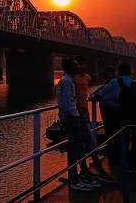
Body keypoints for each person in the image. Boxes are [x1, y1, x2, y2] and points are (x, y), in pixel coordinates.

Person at [73, 57, 113, 184]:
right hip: (77, 115)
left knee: (88, 143)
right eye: (78, 64)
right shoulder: (72, 79)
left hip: (85, 114)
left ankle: (89, 171)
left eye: (82, 64)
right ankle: (90, 171)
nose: (81, 66)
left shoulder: (87, 77)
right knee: (84, 143)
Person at [98, 63, 136, 172]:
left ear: (119, 71)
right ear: (130, 72)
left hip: (123, 116)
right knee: (135, 141)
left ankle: (123, 163)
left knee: (123, 140)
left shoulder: (114, 82)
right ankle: (133, 166)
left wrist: (114, 105)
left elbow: (102, 94)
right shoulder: (135, 83)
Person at [57, 58, 93, 191]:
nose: (78, 66)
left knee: (76, 148)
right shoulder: (67, 81)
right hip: (71, 118)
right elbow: (67, 103)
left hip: (72, 117)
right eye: (76, 65)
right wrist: (75, 117)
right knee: (74, 149)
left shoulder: (67, 80)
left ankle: (78, 177)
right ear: (70, 67)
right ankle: (73, 180)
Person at [90, 66, 119, 163]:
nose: (108, 76)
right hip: (110, 112)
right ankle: (113, 156)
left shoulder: (112, 83)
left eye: (110, 73)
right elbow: (94, 94)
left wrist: (96, 96)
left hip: (111, 111)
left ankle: (113, 157)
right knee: (113, 133)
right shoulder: (107, 84)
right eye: (107, 74)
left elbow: (96, 94)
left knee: (111, 133)